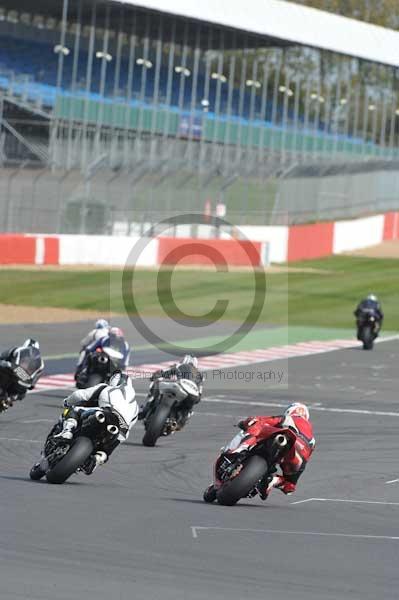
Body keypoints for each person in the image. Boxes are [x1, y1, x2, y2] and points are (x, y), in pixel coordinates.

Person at [45, 371, 138, 475]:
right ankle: (98, 459)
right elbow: (130, 426)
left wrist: (67, 402)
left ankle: (67, 431)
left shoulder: (105, 387)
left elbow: (79, 395)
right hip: (121, 429)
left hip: (106, 412)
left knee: (75, 410)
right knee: (109, 446)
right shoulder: (135, 406)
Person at [239, 402, 315, 499]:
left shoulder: (292, 418)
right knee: (289, 486)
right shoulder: (311, 435)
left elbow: (270, 420)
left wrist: (249, 422)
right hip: (300, 455)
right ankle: (273, 480)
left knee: (257, 430)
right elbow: (306, 457)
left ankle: (240, 449)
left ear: (290, 411)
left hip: (286, 437)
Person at [138, 354, 203, 427]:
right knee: (189, 409)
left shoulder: (179, 365)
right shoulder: (200, 375)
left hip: (180, 387)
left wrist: (156, 376)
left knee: (156, 384)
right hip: (192, 394)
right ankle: (180, 422)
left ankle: (144, 408)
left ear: (184, 361)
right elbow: (199, 395)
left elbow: (167, 372)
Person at [75, 319, 130, 384]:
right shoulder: (104, 339)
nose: (115, 339)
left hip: (115, 363)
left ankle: (81, 370)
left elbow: (125, 360)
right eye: (113, 337)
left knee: (121, 379)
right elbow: (91, 348)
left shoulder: (125, 345)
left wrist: (123, 367)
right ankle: (84, 371)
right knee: (89, 354)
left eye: (118, 337)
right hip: (103, 357)